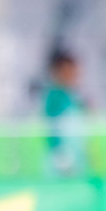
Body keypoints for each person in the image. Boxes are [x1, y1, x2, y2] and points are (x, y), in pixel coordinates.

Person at [42, 48, 87, 177]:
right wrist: (62, 157)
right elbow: (52, 130)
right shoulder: (54, 97)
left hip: (76, 157)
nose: (72, 75)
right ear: (57, 72)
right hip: (62, 160)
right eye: (67, 72)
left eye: (73, 71)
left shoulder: (73, 96)